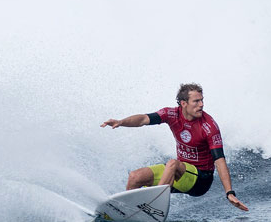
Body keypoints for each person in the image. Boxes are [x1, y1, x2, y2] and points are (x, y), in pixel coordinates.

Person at [101, 83, 249, 212]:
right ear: (183, 103)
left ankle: (153, 207)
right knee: (135, 177)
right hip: (180, 173)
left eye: (202, 100)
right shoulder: (171, 114)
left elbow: (220, 160)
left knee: (172, 164)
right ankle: (128, 211)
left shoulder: (209, 126)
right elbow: (143, 119)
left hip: (201, 179)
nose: (201, 104)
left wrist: (229, 192)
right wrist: (121, 122)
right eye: (196, 101)